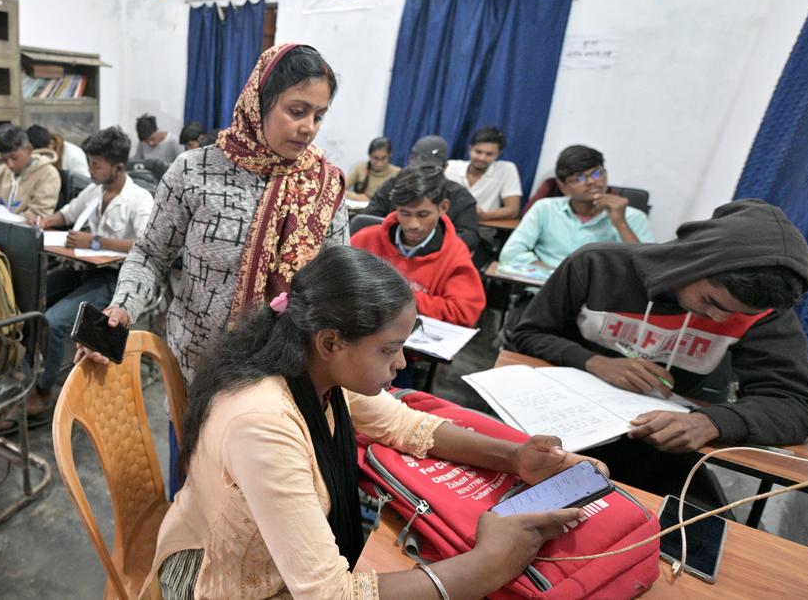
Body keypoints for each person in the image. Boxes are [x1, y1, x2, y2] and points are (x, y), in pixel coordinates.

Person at [150, 246, 604, 599]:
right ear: (331, 341)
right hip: (221, 580)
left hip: (271, 559)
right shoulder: (264, 422)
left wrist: (515, 457)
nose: (400, 363)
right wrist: (487, 564)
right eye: (389, 349)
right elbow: (330, 594)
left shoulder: (313, 366)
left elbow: (405, 426)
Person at [508, 199, 808, 502]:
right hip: (563, 430)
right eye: (711, 302)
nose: (719, 320)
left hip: (662, 448)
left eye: (739, 314)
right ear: (694, 260)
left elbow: (797, 404)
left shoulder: (763, 310)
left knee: (692, 538)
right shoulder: (595, 265)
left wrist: (712, 421)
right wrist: (592, 361)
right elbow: (529, 332)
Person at [96, 44, 349, 394]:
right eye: (296, 111)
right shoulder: (195, 170)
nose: (308, 128)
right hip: (197, 368)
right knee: (191, 448)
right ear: (259, 103)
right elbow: (151, 255)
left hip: (285, 380)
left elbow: (338, 284)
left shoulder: (324, 186)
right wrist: (122, 308)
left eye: (318, 116)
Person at [29, 126, 154, 417]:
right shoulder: (94, 190)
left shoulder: (139, 200)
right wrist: (46, 222)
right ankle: (36, 370)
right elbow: (69, 213)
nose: (90, 169)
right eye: (89, 163)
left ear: (118, 167)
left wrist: (95, 241)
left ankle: (45, 389)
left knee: (53, 322)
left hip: (114, 277)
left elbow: (145, 243)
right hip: (83, 268)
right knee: (32, 301)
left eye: (96, 164)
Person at [352, 168, 485, 328]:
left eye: (423, 215)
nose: (412, 225)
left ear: (443, 208)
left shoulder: (454, 254)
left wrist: (396, 296)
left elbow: (463, 312)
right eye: (405, 213)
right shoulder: (365, 239)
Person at [500, 145, 652, 269]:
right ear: (563, 186)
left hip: (599, 299)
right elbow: (510, 254)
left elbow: (646, 268)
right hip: (545, 290)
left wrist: (621, 224)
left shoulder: (633, 217)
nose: (592, 182)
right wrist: (558, 276)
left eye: (597, 173)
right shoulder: (544, 209)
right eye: (579, 177)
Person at [363, 136, 480, 252]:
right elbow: (368, 220)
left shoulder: (460, 196)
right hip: (388, 250)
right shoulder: (393, 185)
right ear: (409, 162)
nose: (414, 225)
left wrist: (430, 244)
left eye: (431, 170)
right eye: (419, 168)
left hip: (438, 257)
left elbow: (470, 237)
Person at [0, 123, 60, 219]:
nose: (10, 165)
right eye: (4, 160)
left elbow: (38, 215)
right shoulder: (2, 171)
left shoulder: (48, 174)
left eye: (14, 158)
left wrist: (9, 221)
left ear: (29, 150)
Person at [445, 126, 522, 221]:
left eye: (489, 154)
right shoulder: (451, 167)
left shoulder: (506, 169)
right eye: (478, 152)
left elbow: (513, 210)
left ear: (498, 154)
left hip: (482, 228)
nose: (482, 158)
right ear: (470, 149)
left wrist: (484, 216)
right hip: (446, 224)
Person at [345, 137, 400, 202]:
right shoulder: (360, 168)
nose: (380, 163)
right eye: (375, 158)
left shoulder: (397, 173)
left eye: (384, 158)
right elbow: (339, 190)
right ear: (369, 155)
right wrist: (356, 197)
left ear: (390, 155)